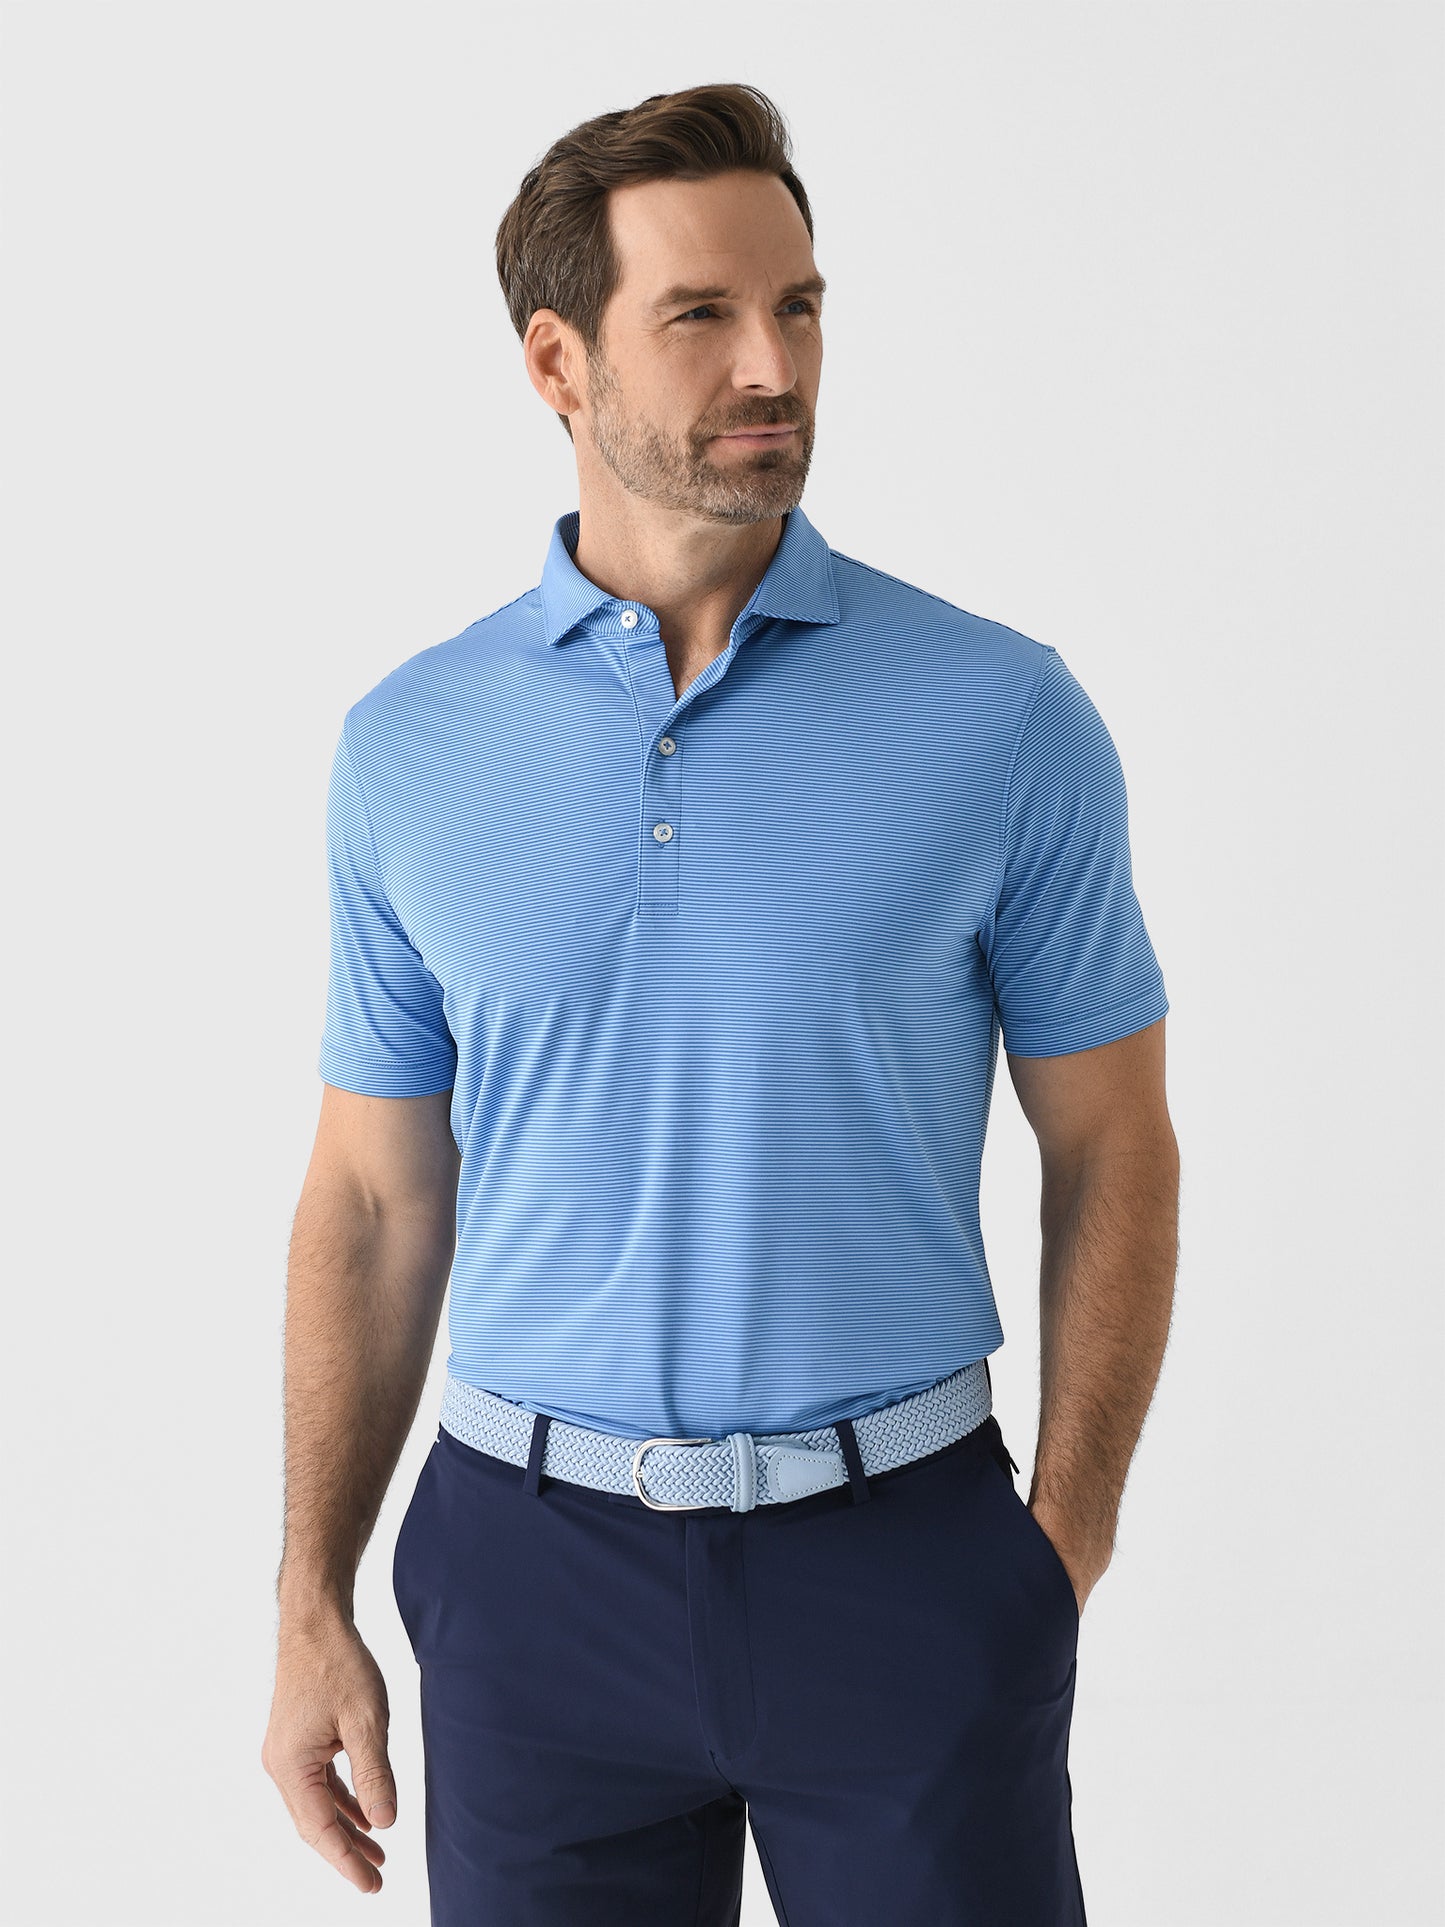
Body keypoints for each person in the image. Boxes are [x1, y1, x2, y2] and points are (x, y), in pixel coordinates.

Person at [262, 80, 1180, 1926]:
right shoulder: (409, 746)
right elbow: (370, 1195)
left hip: (905, 1562)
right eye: (700, 314)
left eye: (799, 307)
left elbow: (1112, 1145)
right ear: (556, 362)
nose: (774, 365)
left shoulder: (998, 714)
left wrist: (1055, 1547)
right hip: (526, 1583)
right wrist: (310, 1596)